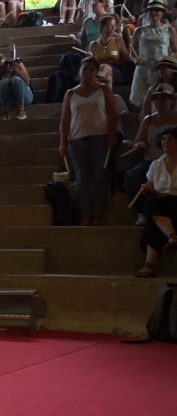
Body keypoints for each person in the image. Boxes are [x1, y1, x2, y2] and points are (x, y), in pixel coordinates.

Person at [59, 57, 117, 226]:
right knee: (82, 179)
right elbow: (64, 120)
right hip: (77, 140)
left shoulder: (104, 89)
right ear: (80, 71)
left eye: (92, 69)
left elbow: (113, 114)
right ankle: (85, 216)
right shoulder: (70, 93)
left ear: (96, 72)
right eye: (85, 69)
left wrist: (112, 136)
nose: (88, 72)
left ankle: (97, 216)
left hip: (100, 138)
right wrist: (62, 142)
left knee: (99, 178)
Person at [127, 84, 177, 226]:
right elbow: (138, 141)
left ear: (171, 100)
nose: (159, 102)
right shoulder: (148, 119)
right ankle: (142, 213)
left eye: (163, 99)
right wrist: (140, 145)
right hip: (151, 160)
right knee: (134, 175)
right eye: (156, 99)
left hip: (174, 159)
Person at [134, 126, 177, 277]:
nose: (166, 141)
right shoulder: (156, 165)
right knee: (151, 205)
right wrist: (146, 189)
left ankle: (149, 265)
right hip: (163, 206)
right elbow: (151, 190)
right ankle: (172, 236)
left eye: (171, 138)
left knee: (153, 214)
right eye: (163, 139)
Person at [129, 0, 177, 107]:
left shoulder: (169, 29)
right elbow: (131, 52)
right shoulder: (139, 30)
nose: (153, 12)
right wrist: (135, 60)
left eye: (157, 10)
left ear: (162, 13)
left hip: (160, 70)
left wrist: (167, 62)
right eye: (150, 10)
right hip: (143, 69)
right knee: (142, 103)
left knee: (159, 101)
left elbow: (176, 51)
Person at [0, 52, 33, 120]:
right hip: (9, 100)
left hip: (24, 97)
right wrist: (5, 76)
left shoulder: (17, 64)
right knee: (5, 82)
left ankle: (21, 110)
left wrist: (16, 70)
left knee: (15, 79)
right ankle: (5, 111)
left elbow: (28, 81)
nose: (5, 67)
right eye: (1, 67)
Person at [88, 14, 130, 85]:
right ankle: (106, 94)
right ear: (102, 27)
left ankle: (97, 82)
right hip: (99, 70)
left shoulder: (118, 41)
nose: (113, 28)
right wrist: (90, 57)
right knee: (107, 77)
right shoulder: (93, 44)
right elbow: (89, 63)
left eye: (114, 26)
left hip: (116, 71)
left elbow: (126, 60)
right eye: (110, 26)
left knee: (104, 67)